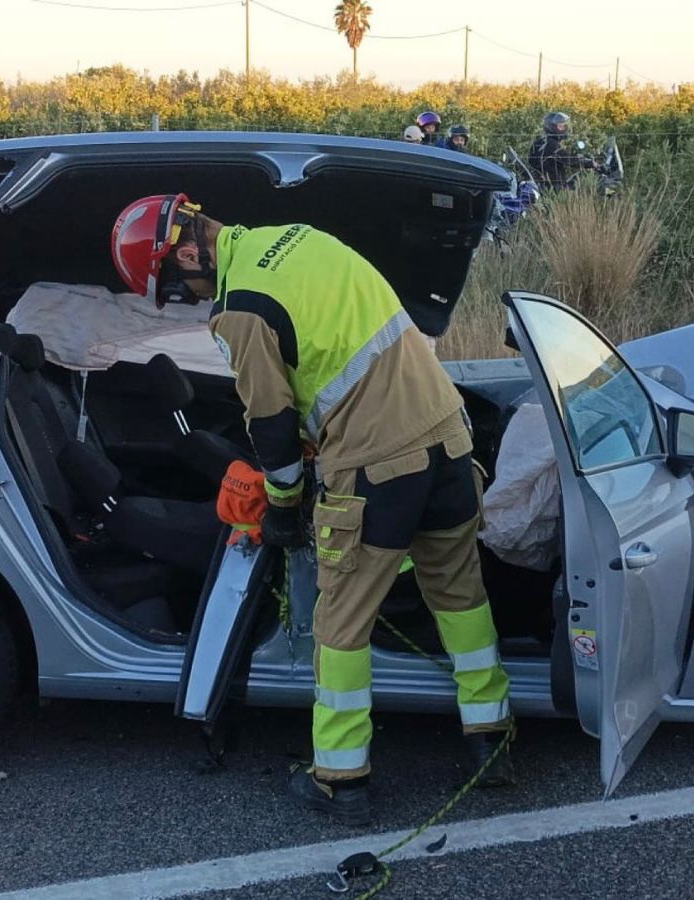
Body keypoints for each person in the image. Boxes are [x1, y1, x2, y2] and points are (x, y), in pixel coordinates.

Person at [110, 194, 514, 826]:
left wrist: (283, 506)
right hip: (450, 442)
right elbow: (334, 355)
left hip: (378, 467)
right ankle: (491, 741)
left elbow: (270, 426)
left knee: (340, 624)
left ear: (188, 251)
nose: (186, 297)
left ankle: (341, 777)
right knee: (459, 598)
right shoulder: (300, 238)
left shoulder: (239, 308)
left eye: (175, 285)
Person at [527, 111, 597, 190]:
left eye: (564, 126)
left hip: (541, 184)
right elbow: (568, 160)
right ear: (552, 127)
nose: (564, 129)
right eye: (560, 126)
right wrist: (590, 163)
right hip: (553, 187)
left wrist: (581, 157)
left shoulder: (539, 141)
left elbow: (563, 156)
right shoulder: (552, 144)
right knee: (585, 188)